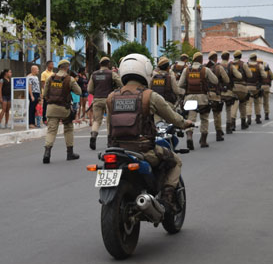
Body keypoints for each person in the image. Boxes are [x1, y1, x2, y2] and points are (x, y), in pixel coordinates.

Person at [106, 53, 193, 210]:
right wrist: (185, 123)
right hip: (144, 150)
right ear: (145, 71)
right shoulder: (149, 96)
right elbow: (172, 117)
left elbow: (109, 127)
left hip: (117, 150)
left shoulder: (111, 97)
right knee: (176, 162)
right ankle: (167, 198)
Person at [42, 59, 81, 163]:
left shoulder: (50, 78)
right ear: (67, 67)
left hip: (51, 108)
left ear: (58, 67)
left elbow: (44, 94)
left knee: (51, 130)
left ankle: (47, 152)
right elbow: (79, 91)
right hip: (64, 109)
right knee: (68, 128)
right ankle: (70, 153)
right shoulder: (70, 79)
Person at [178, 52, 218, 149]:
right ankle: (203, 141)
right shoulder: (205, 70)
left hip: (190, 98)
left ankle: (189, 137)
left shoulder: (186, 70)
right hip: (203, 98)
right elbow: (215, 81)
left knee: (190, 119)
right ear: (201, 60)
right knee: (204, 119)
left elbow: (180, 84)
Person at [87, 56, 123, 150]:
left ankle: (93, 135)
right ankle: (109, 141)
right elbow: (120, 84)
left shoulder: (94, 74)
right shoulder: (111, 74)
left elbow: (89, 89)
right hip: (109, 99)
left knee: (96, 120)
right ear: (108, 64)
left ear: (100, 64)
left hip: (97, 99)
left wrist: (97, 93)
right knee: (109, 121)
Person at [205, 51, 231, 141]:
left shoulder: (204, 68)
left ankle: (204, 137)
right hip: (216, 94)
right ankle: (218, 133)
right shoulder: (218, 67)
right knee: (217, 115)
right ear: (216, 58)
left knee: (205, 116)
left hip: (206, 95)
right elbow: (227, 80)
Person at [230, 50, 253, 129]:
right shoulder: (243, 64)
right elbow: (250, 75)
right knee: (243, 104)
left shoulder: (230, 64)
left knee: (234, 105)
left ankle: (232, 123)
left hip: (232, 87)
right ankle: (243, 123)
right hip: (242, 87)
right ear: (240, 56)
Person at [220, 51, 241, 132]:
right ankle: (228, 127)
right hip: (229, 91)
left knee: (218, 112)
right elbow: (239, 76)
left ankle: (219, 130)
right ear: (228, 58)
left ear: (221, 57)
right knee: (228, 110)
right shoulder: (231, 66)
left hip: (219, 92)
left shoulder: (217, 66)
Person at [246, 54, 264, 124]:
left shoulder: (246, 65)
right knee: (257, 102)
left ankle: (249, 118)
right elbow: (264, 75)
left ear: (250, 58)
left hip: (247, 86)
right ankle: (258, 118)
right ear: (256, 59)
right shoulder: (259, 65)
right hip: (256, 87)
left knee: (248, 103)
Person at [40, 60, 55, 124]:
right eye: (52, 64)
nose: (53, 65)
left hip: (53, 93)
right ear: (48, 65)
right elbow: (43, 84)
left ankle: (51, 119)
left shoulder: (53, 73)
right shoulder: (44, 73)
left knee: (52, 106)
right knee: (45, 106)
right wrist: (46, 92)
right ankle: (44, 119)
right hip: (46, 93)